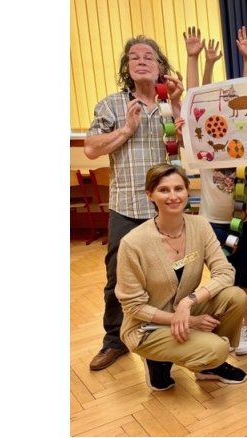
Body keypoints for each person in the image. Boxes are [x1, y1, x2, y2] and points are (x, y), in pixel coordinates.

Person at [85, 35, 184, 371]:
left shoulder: (171, 106)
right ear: (127, 67)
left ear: (160, 67)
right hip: (126, 207)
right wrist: (127, 129)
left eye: (149, 57)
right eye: (134, 57)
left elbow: (191, 145)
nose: (141, 61)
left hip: (166, 210)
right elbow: (91, 148)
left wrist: (180, 103)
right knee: (117, 277)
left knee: (173, 276)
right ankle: (114, 341)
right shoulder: (112, 105)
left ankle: (170, 332)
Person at [116, 163, 247, 391]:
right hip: (146, 326)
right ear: (150, 195)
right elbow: (133, 307)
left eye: (179, 189)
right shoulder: (133, 243)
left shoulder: (199, 225)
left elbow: (225, 272)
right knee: (216, 348)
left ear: (188, 191)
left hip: (181, 308)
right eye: (164, 190)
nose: (173, 196)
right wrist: (191, 321)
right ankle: (158, 359)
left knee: (235, 296)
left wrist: (190, 302)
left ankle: (209, 366)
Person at [185, 26, 247, 356]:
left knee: (246, 274)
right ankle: (225, 325)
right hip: (212, 221)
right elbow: (193, 104)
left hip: (246, 220)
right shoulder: (207, 144)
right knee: (220, 276)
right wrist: (195, 58)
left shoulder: (246, 140)